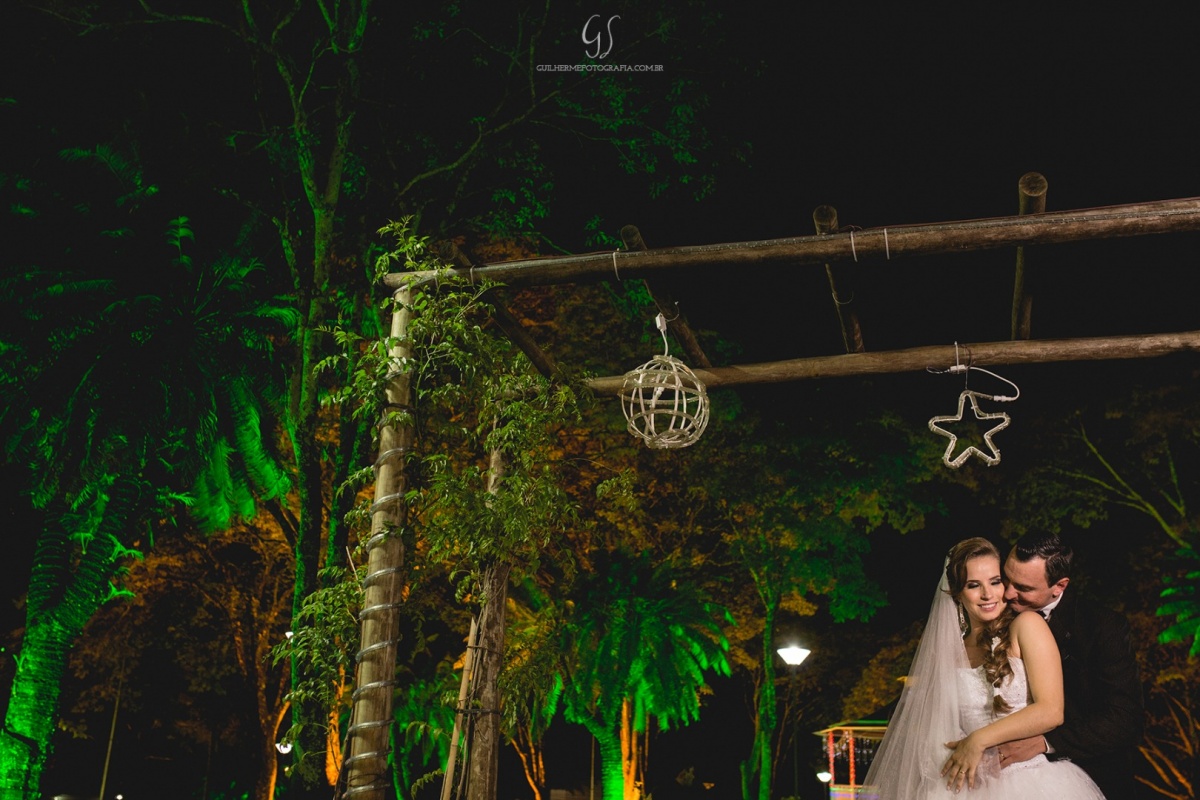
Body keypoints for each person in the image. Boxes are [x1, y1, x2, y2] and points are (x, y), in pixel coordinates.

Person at [862, 537, 1105, 798]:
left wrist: (978, 740)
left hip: (1029, 781)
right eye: (973, 585)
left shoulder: (1026, 626)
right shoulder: (947, 654)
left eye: (995, 581)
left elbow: (1051, 711)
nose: (988, 594)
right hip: (968, 786)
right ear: (957, 593)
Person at [997, 532, 1143, 798]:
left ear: (1059, 586)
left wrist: (1045, 743)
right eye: (1006, 578)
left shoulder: (1102, 627)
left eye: (1023, 588)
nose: (1008, 593)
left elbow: (1124, 718)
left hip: (1088, 777)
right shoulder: (992, 613)